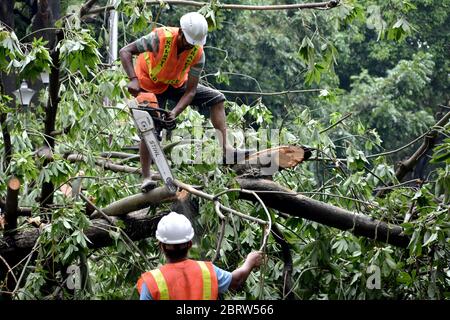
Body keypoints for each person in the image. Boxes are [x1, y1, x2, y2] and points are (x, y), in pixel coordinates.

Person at [119, 12, 254, 191]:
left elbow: (190, 91)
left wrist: (175, 112)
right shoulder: (159, 38)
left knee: (217, 99)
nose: (190, 47)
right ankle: (146, 177)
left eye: (194, 44)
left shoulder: (198, 54)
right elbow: (125, 51)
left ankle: (226, 150)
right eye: (188, 42)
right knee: (149, 127)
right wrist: (133, 79)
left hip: (174, 84)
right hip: (147, 84)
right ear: (181, 32)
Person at [136, 212, 264, 300]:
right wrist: (250, 262)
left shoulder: (152, 282)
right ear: (190, 244)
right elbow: (236, 281)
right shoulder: (207, 271)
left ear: (161, 246)